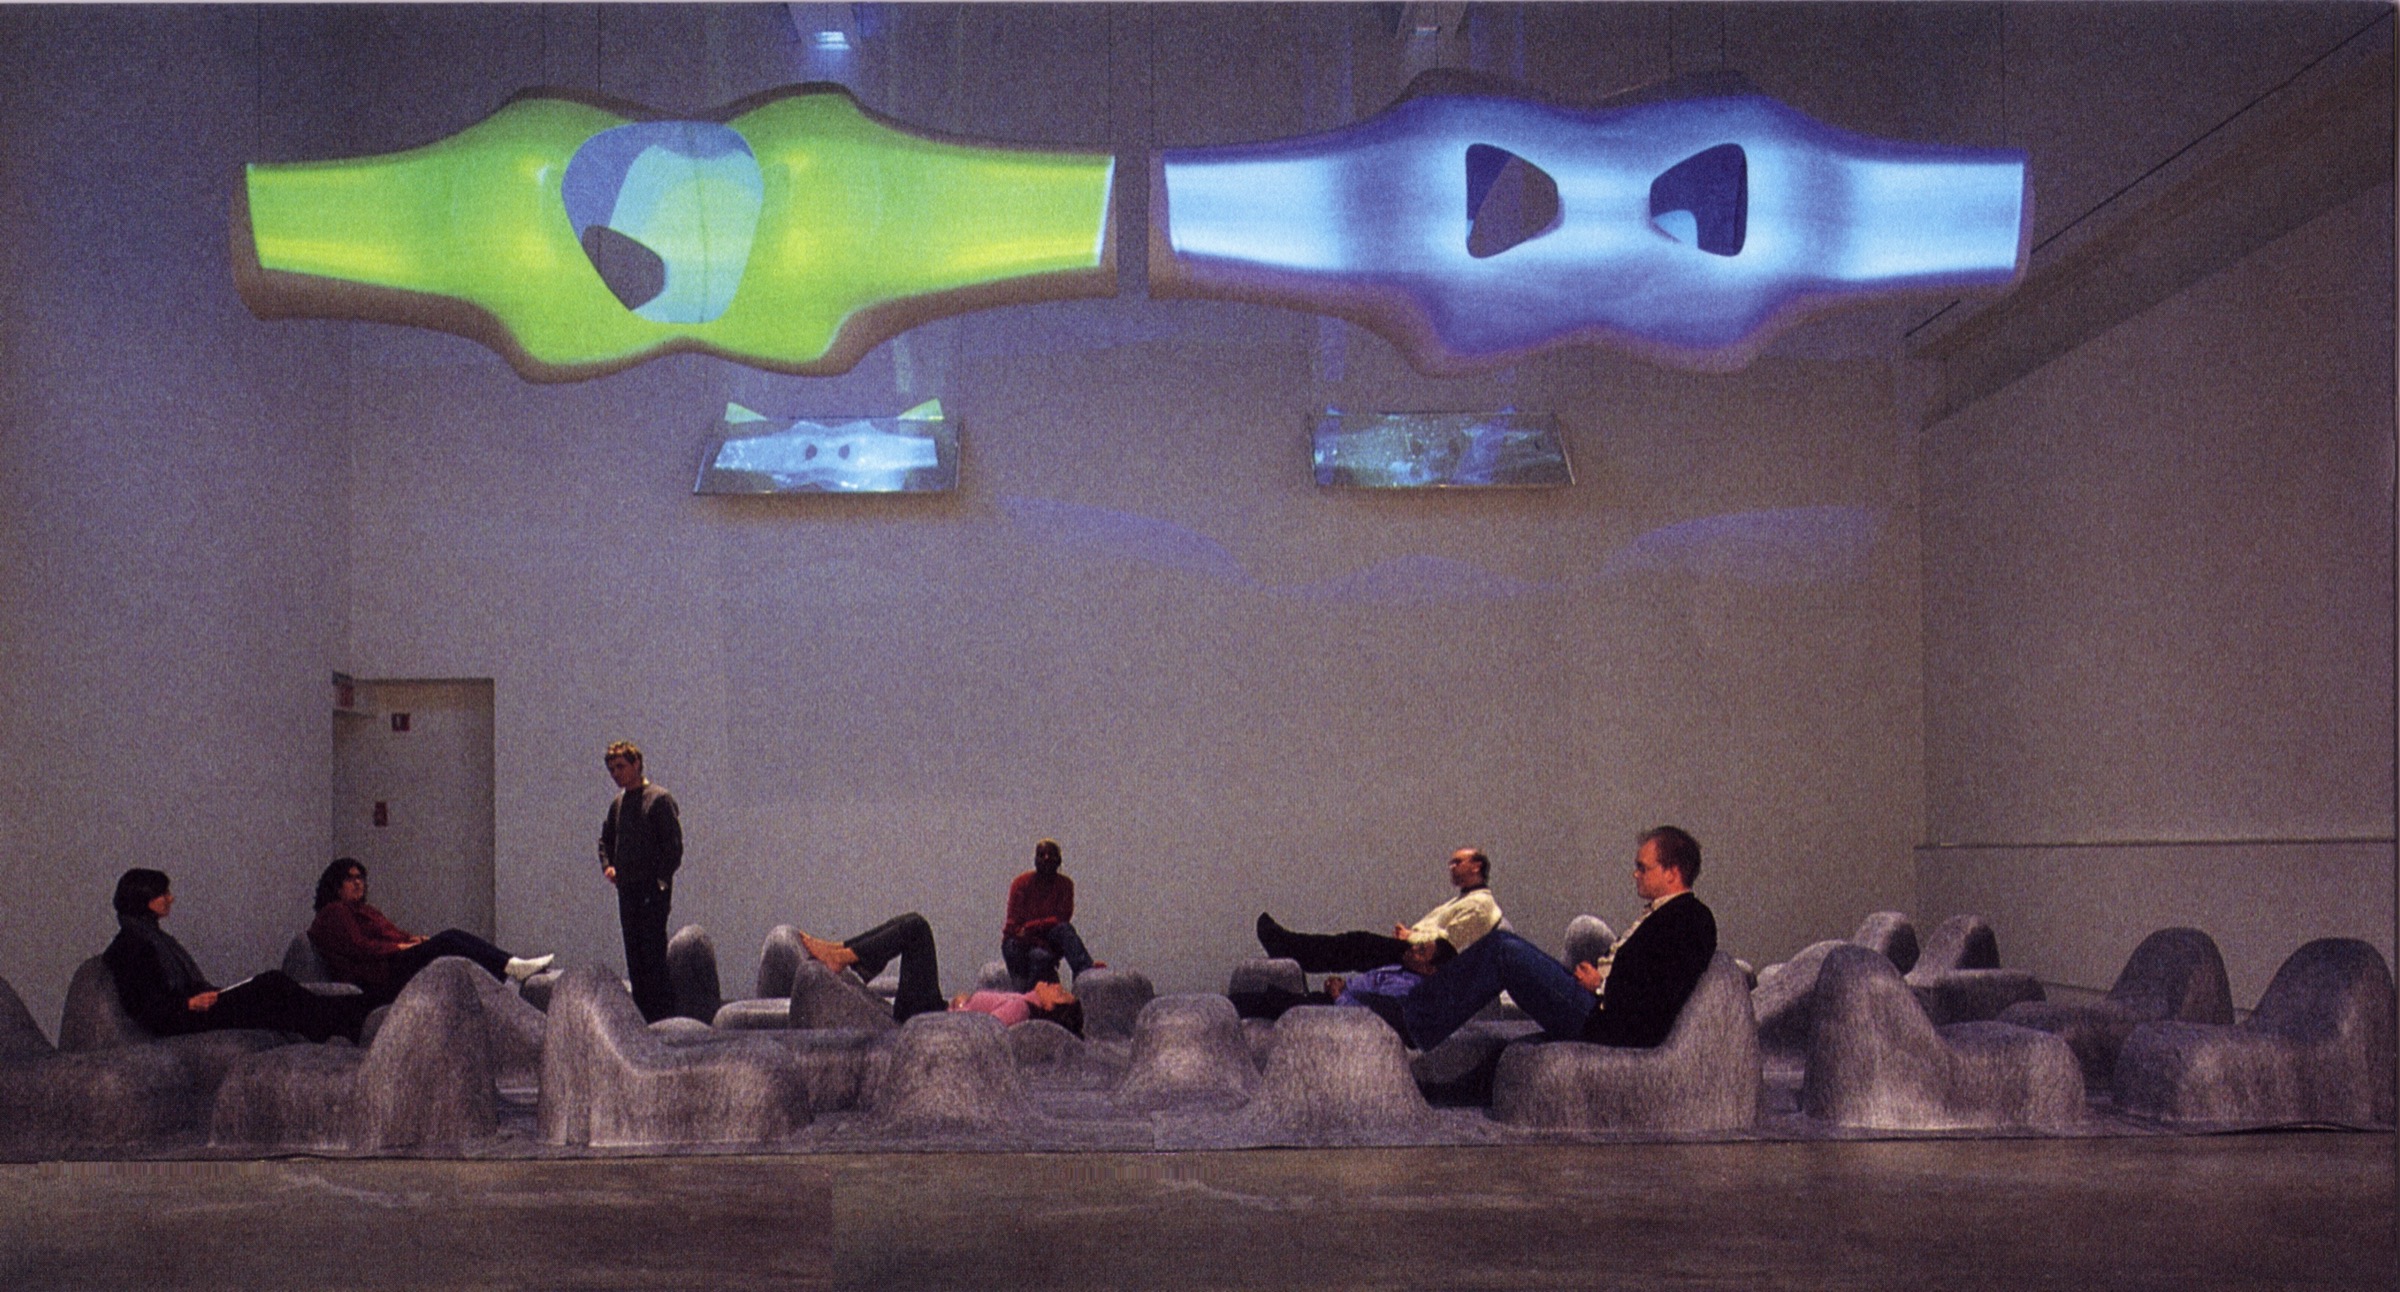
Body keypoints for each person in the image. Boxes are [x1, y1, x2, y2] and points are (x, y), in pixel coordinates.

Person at [1400, 826, 1717, 1053]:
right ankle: (1415, 1010)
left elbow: (1660, 994)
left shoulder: (1690, 919)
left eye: (1642, 868)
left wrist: (1601, 986)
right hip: (1597, 1006)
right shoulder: (1666, 913)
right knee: (1505, 945)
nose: (1635, 874)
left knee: (1503, 951)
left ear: (1672, 873)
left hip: (1604, 1023)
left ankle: (1412, 1022)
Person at [102, 868, 372, 1043]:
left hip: (197, 1005)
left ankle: (346, 1016)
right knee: (271, 985)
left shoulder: (154, 938)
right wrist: (189, 1004)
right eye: (163, 894)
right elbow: (144, 1006)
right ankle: (344, 1022)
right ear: (145, 899)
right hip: (184, 1018)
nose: (170, 899)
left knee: (271, 984)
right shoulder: (128, 947)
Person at [307, 858, 552, 1007]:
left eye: (360, 878)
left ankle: (510, 967)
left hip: (391, 964)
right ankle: (509, 969)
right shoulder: (334, 912)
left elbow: (391, 934)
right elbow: (360, 947)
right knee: (449, 939)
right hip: (381, 976)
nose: (358, 883)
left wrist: (412, 940)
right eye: (350, 879)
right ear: (336, 886)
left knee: (450, 938)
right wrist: (402, 947)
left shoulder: (364, 910)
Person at [1255, 847, 1502, 974]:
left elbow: (1449, 945)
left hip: (1429, 962)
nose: (1452, 867)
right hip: (1420, 951)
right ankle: (1295, 952)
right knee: (1356, 944)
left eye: (1458, 862)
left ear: (1476, 866)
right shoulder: (1465, 900)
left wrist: (1410, 937)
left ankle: (1293, 951)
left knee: (1357, 943)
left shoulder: (1479, 905)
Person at [598, 740, 681, 1023]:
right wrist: (608, 866)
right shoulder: (619, 804)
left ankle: (663, 1020)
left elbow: (673, 847)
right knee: (634, 956)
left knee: (653, 955)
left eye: (620, 767)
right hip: (628, 890)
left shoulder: (658, 799)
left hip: (651, 892)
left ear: (636, 764)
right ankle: (643, 1019)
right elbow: (605, 840)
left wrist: (660, 882)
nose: (616, 774)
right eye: (612, 769)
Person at [798, 913, 947, 1024]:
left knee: (917, 928)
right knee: (911, 920)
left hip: (931, 1019)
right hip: (937, 1012)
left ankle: (841, 957)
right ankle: (840, 949)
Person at [1001, 838, 1103, 990]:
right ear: (1035, 859)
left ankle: (1084, 972)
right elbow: (1013, 927)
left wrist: (1033, 927)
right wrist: (1036, 935)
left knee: (1065, 930)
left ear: (1059, 860)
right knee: (1040, 957)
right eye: (1041, 855)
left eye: (1051, 855)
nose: (1046, 858)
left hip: (1046, 936)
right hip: (1020, 942)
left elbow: (1062, 919)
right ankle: (1027, 993)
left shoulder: (1065, 885)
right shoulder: (1021, 883)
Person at [948, 978, 1086, 1036]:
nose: (1058, 986)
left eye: (1061, 994)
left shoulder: (1020, 1008)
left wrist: (960, 1005)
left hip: (949, 1019)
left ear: (1049, 1007)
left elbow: (985, 1029)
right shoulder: (1022, 1001)